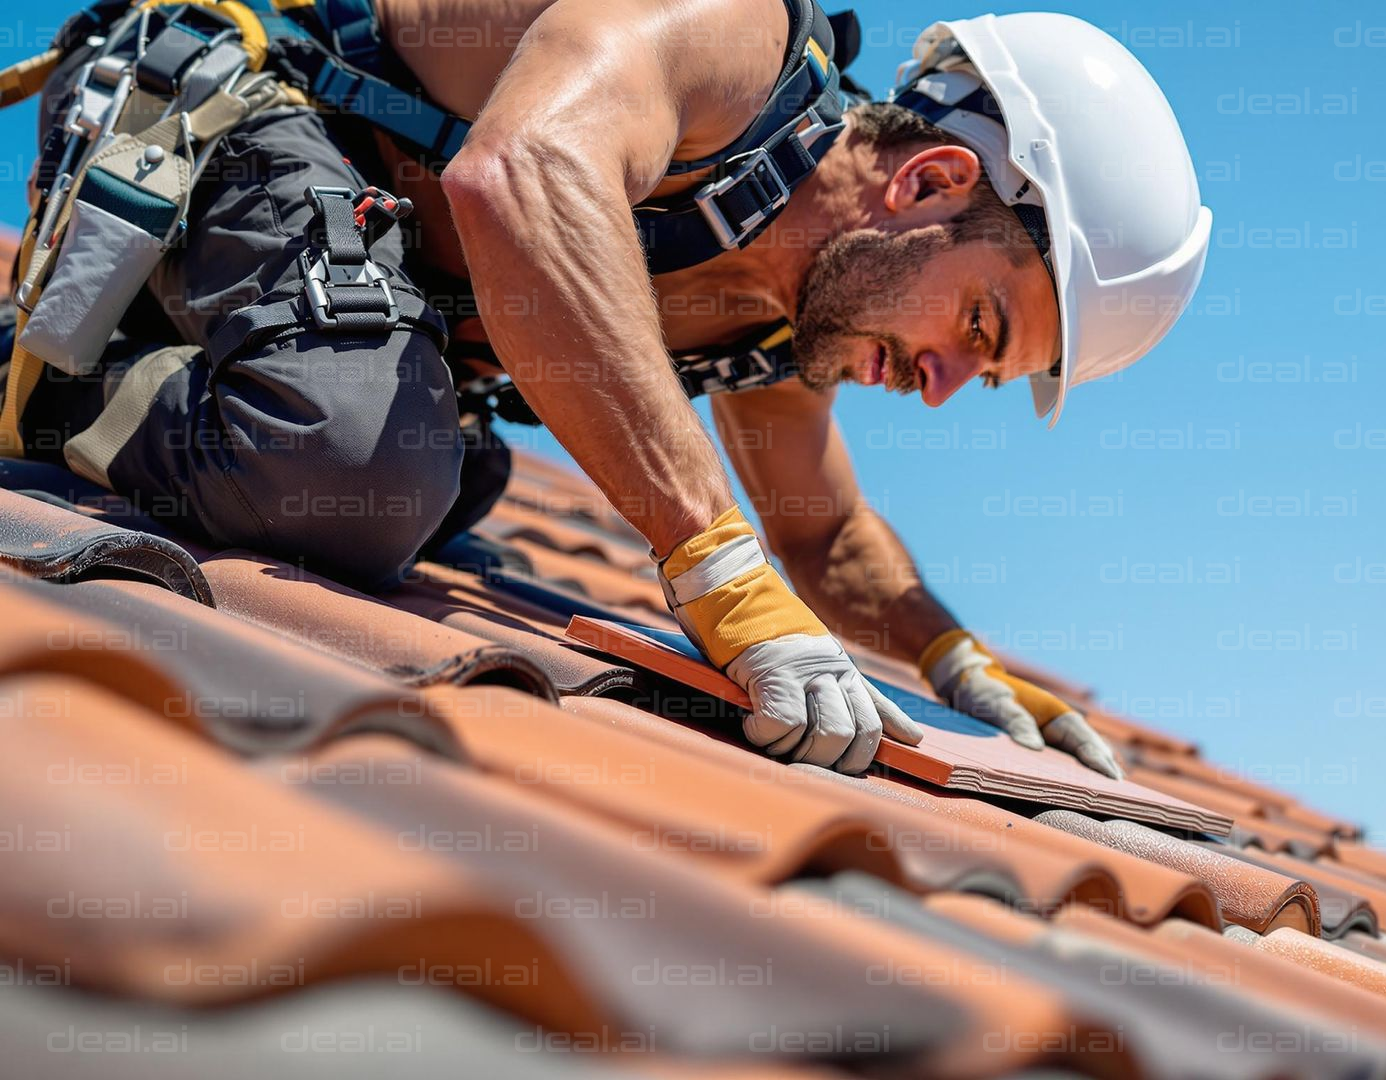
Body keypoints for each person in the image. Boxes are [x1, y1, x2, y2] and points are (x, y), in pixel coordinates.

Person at [0, 0, 1210, 776]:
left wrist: (960, 667)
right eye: (978, 325)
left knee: (443, 483)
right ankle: (51, 394)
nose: (941, 388)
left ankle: (173, 394)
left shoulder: (781, 320)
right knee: (362, 468)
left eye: (983, 377)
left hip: (332, 271)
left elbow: (822, 530)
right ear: (934, 180)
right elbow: (522, 171)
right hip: (233, 118)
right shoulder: (730, 42)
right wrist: (715, 571)